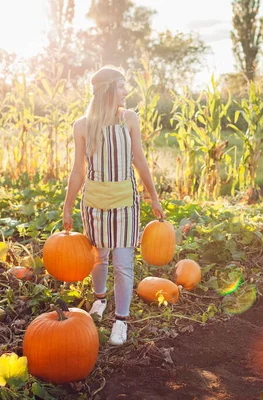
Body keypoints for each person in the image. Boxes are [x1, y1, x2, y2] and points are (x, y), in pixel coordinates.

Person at [62, 66, 164, 346]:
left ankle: (121, 321)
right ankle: (99, 300)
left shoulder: (129, 120)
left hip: (124, 204)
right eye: (121, 86)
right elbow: (78, 171)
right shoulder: (82, 126)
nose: (126, 91)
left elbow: (139, 161)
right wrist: (68, 206)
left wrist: (153, 196)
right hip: (95, 203)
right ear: (108, 90)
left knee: (122, 264)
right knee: (99, 257)